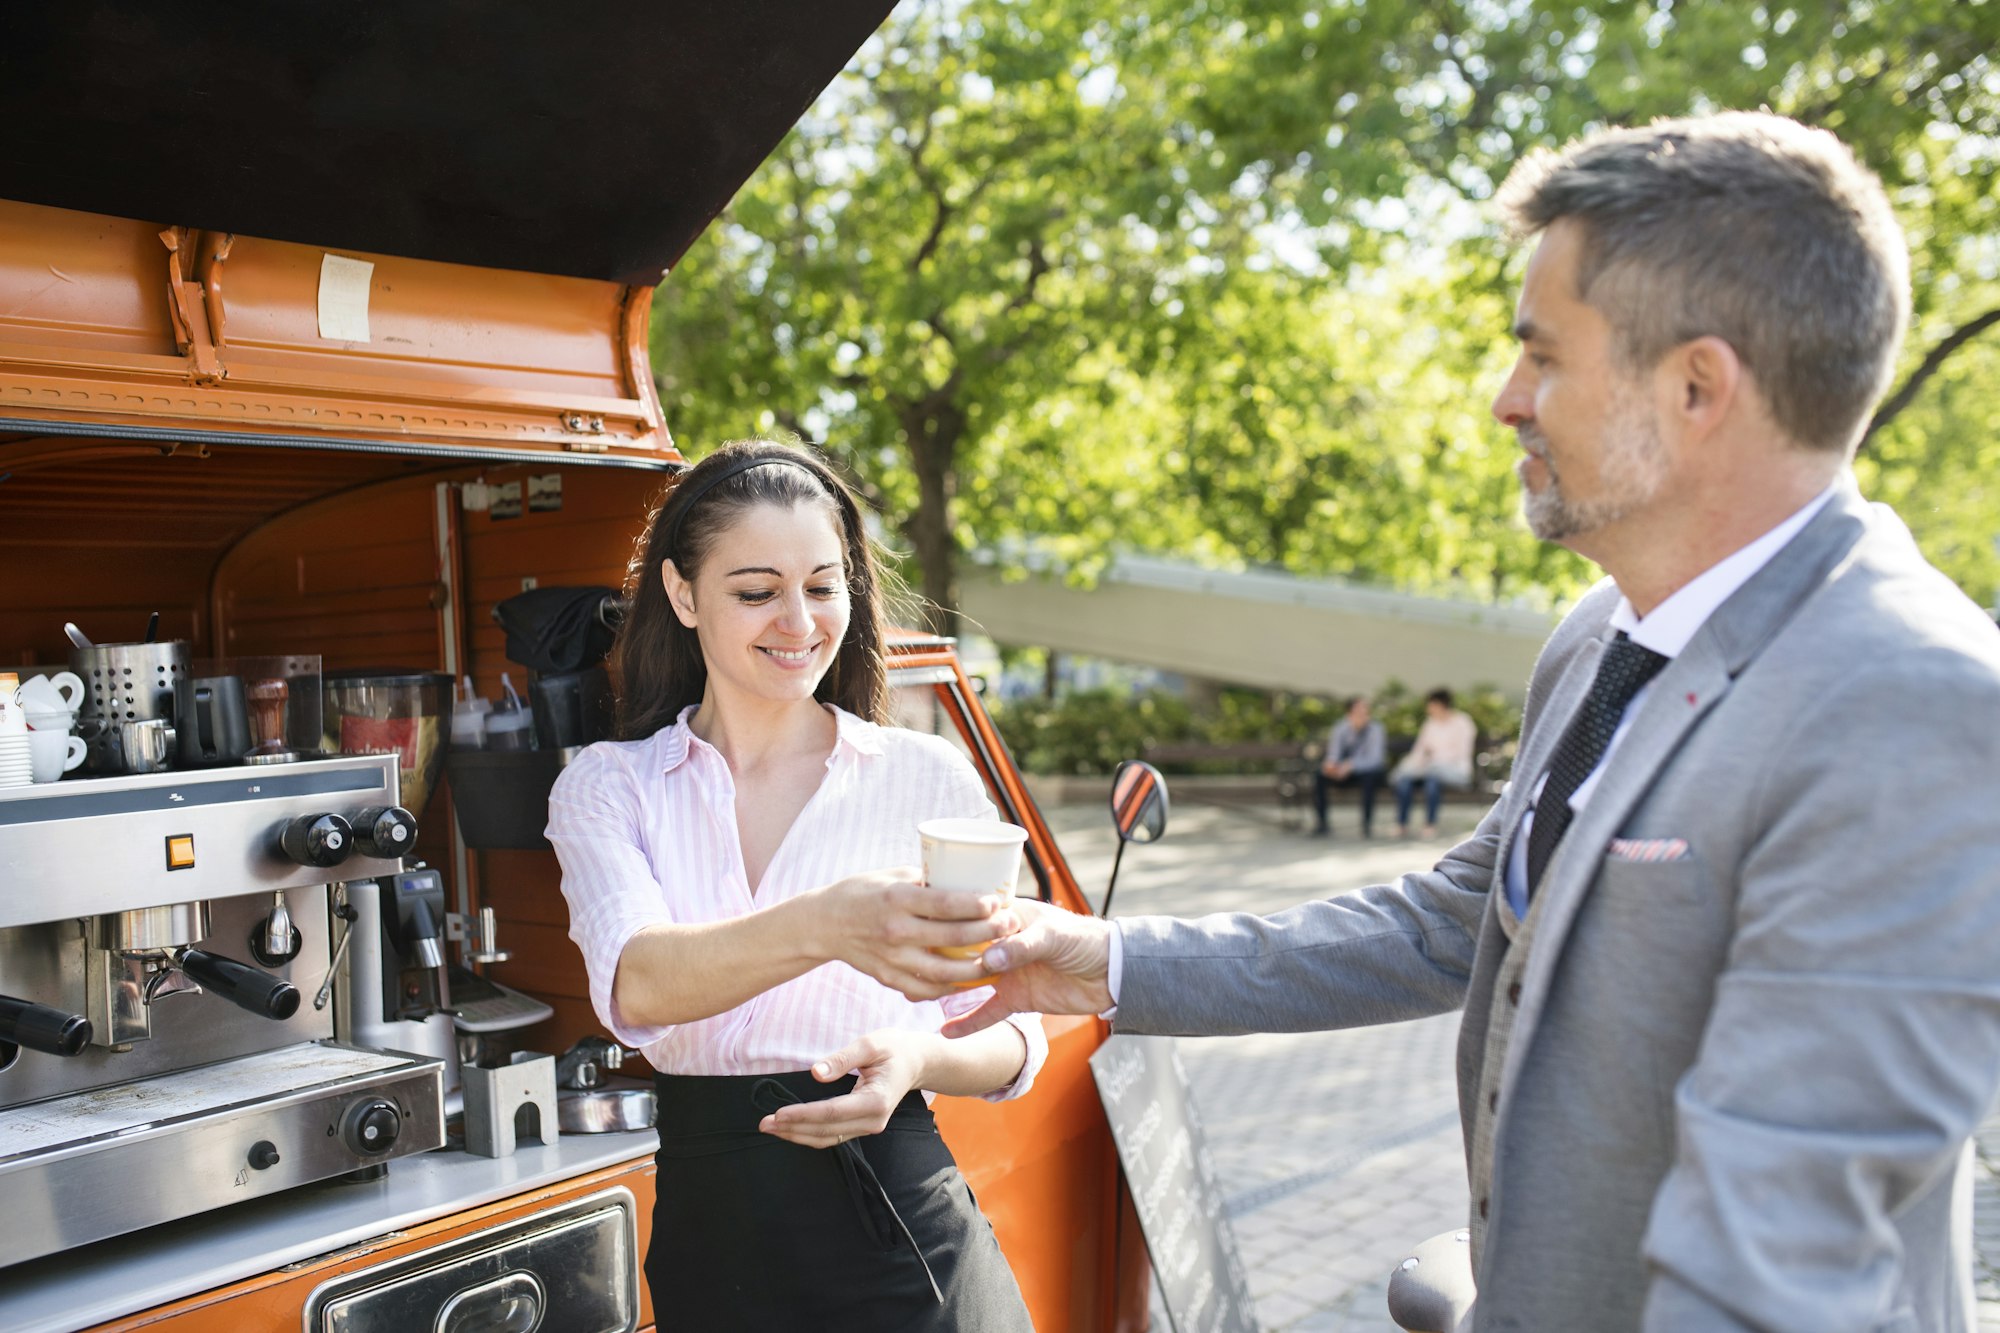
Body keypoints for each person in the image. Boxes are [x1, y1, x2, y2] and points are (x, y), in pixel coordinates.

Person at [934, 113, 2000, 1330]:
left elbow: (1780, 1254)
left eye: (1541, 357)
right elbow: (1456, 921)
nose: (1505, 401)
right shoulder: (1598, 634)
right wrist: (1108, 963)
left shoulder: (1913, 702)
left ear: (1698, 386)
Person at [546, 439, 1042, 1331]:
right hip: (716, 1236)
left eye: (823, 585)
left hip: (902, 1219)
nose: (800, 621)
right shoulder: (608, 786)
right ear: (682, 593)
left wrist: (920, 1060)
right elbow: (639, 981)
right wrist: (827, 923)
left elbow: (1016, 1034)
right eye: (756, 591)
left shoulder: (923, 776)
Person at [1390, 688, 1478, 838]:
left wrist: (1435, 762)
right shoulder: (1430, 724)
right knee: (1405, 781)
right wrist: (1415, 764)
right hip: (1430, 769)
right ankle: (1402, 824)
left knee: (1432, 781)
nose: (1428, 709)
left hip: (1454, 770)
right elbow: (1419, 751)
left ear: (1440, 704)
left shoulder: (1462, 722)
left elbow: (1463, 753)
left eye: (1430, 704)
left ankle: (1430, 824)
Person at [1312, 695, 1387, 837]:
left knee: (1369, 779)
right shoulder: (1340, 728)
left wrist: (1352, 765)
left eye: (1366, 711)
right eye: (1359, 711)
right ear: (1349, 713)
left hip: (1367, 772)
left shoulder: (1376, 729)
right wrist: (1332, 765)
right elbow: (1334, 753)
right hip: (1343, 771)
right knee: (1320, 776)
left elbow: (1375, 760)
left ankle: (1366, 825)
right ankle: (1322, 823)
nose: (1364, 715)